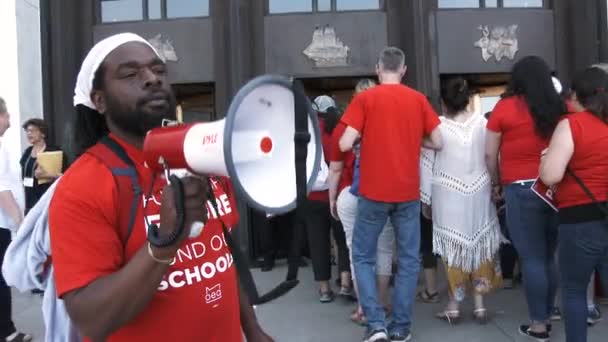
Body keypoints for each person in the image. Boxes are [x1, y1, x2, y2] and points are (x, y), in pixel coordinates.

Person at [47, 33, 273, 342]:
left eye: (159, 70)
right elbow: (92, 319)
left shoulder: (203, 158)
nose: (152, 78)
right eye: (130, 74)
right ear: (99, 100)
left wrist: (252, 329)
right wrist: (165, 242)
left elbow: (222, 260)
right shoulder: (84, 185)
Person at [340, 47, 442, 342]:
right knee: (409, 259)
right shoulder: (418, 99)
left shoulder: (365, 99)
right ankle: (401, 326)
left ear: (377, 68)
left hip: (373, 192)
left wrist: (367, 135)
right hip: (407, 192)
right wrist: (413, 138)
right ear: (404, 69)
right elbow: (438, 141)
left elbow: (346, 144)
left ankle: (376, 325)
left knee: (362, 255)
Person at [485, 55, 566, 341]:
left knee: (531, 257)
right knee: (549, 255)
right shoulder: (559, 108)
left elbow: (489, 153)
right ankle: (549, 312)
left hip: (519, 188)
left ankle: (538, 325)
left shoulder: (504, 108)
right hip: (554, 187)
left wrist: (496, 183)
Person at [422, 77, 502, 325]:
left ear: (443, 103)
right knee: (480, 247)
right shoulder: (483, 123)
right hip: (480, 191)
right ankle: (479, 305)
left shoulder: (438, 127)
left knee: (453, 250)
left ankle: (454, 305)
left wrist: (425, 198)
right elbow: (492, 156)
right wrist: (496, 183)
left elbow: (426, 163)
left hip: (447, 194)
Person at [540, 66, 608, 342]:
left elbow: (551, 175)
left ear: (576, 96)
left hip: (580, 219)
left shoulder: (572, 125)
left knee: (574, 290)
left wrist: (547, 157)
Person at [329, 78, 395, 325]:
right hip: (383, 193)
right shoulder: (387, 123)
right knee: (384, 250)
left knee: (358, 253)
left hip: (351, 193)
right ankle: (383, 302)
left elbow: (334, 170)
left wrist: (332, 199)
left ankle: (363, 308)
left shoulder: (343, 126)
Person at [0, 96, 32, 342]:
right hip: (1, 225)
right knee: (2, 281)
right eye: (7, 114)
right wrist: (20, 223)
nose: (10, 119)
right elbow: (2, 188)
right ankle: (7, 332)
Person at [19, 119, 63, 214]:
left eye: (33, 130)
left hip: (46, 199)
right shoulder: (27, 152)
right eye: (27, 131)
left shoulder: (53, 151)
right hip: (29, 200)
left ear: (43, 134)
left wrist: (46, 175)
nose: (29, 134)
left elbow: (63, 176)